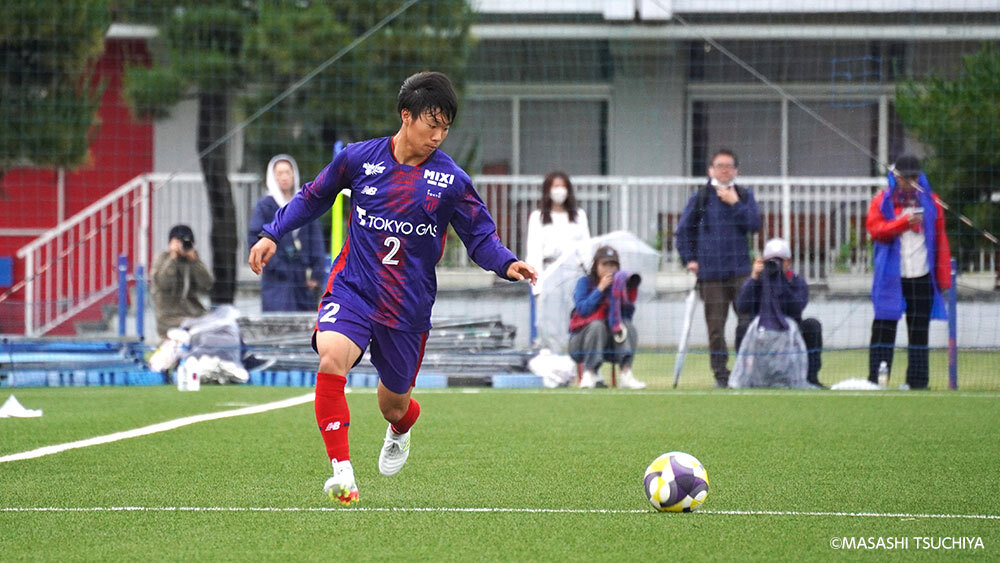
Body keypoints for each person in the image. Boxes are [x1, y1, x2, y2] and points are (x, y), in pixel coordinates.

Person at [248, 71, 537, 506]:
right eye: (431, 125)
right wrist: (273, 232)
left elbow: (480, 237)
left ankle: (402, 427)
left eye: (445, 128)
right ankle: (342, 473)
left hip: (406, 307)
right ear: (406, 116)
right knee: (331, 358)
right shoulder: (359, 159)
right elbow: (313, 196)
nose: (438, 136)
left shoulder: (451, 181)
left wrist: (507, 262)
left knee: (394, 405)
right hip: (354, 289)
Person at [674, 149, 762, 387]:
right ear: (710, 170)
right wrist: (690, 259)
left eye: (729, 166)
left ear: (736, 170)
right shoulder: (701, 197)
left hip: (741, 271)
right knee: (715, 328)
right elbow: (683, 231)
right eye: (720, 166)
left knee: (747, 322)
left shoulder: (743, 195)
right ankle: (721, 374)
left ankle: (747, 371)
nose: (725, 170)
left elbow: (754, 224)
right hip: (711, 274)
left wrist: (735, 204)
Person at [866, 155, 951, 390]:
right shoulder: (882, 201)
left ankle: (917, 381)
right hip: (891, 277)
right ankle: (877, 380)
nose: (910, 182)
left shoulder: (931, 202)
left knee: (919, 330)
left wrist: (943, 277)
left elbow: (940, 239)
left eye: (914, 177)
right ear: (896, 177)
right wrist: (902, 223)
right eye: (905, 178)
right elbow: (875, 230)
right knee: (884, 327)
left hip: (921, 275)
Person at [734, 238, 824, 387]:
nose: (774, 264)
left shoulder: (797, 282)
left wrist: (781, 282)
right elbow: (742, 306)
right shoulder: (758, 281)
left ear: (788, 262)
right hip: (762, 331)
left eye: (779, 261)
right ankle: (747, 377)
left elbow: (797, 307)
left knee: (812, 325)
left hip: (791, 331)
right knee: (742, 328)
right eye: (770, 261)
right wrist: (754, 278)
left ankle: (810, 378)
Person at [248, 154, 328, 312]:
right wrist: (275, 265)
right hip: (276, 280)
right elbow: (254, 237)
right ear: (273, 177)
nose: (284, 177)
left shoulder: (305, 203)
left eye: (287, 172)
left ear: (294, 175)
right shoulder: (265, 206)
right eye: (279, 173)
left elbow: (316, 239)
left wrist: (316, 273)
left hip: (303, 281)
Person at [525, 171, 590, 351]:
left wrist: (588, 277)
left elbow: (586, 249)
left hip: (573, 272)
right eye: (555, 186)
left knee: (574, 317)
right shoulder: (538, 217)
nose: (559, 191)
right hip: (549, 271)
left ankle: (575, 355)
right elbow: (534, 251)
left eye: (563, 186)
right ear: (548, 190)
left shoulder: (579, 216)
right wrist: (536, 284)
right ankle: (551, 355)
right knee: (547, 321)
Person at [567, 246, 647, 389]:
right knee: (597, 325)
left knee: (627, 326)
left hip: (609, 343)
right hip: (580, 343)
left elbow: (627, 316)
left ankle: (626, 374)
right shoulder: (584, 282)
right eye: (605, 264)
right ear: (596, 265)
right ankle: (589, 373)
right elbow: (583, 310)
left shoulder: (618, 285)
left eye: (613, 265)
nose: (609, 269)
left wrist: (625, 293)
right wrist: (600, 289)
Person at [151, 224, 214, 340]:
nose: (183, 246)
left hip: (194, 315)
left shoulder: (193, 260)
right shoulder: (162, 259)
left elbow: (207, 285)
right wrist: (173, 258)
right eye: (178, 242)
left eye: (187, 243)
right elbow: (163, 284)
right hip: (169, 319)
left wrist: (195, 261)